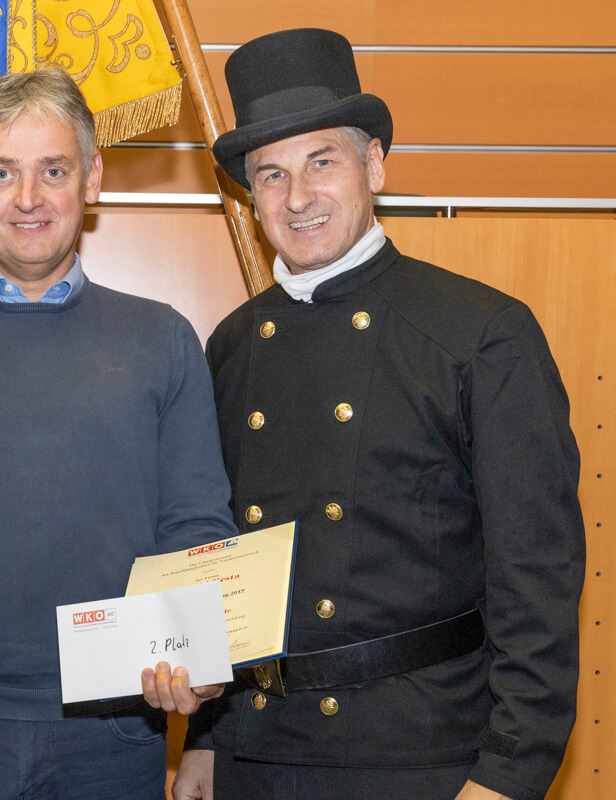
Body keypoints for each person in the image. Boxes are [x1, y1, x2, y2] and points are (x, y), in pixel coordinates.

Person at [175, 28, 586, 800]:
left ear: (374, 164)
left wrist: (509, 771)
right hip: (258, 755)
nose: (298, 198)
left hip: (421, 758)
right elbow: (219, 556)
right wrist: (207, 739)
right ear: (250, 195)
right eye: (271, 175)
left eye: (321, 162)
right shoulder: (232, 344)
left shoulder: (479, 333)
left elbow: (537, 575)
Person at [0, 66, 238, 799]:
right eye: (2, 172)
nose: (27, 198)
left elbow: (195, 527)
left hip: (113, 733)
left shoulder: (163, 339)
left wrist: (200, 665)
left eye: (53, 170)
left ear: (92, 179)